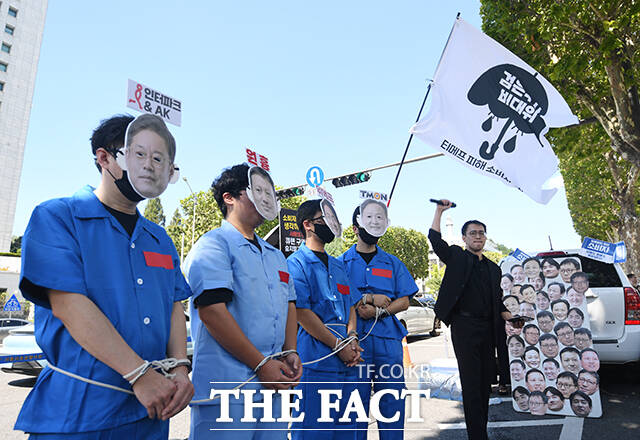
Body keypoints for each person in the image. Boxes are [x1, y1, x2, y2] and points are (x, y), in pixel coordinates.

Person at [15, 114, 193, 439]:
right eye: (139, 154)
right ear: (104, 158)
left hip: (152, 411)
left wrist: (180, 368)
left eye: (159, 159)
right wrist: (139, 374)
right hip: (80, 413)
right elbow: (69, 305)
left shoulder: (160, 239)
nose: (150, 167)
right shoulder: (58, 217)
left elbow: (173, 307)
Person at [184, 164, 301, 439]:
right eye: (257, 190)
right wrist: (261, 364)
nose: (266, 198)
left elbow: (289, 304)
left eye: (269, 193)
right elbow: (212, 312)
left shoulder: (275, 255)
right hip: (230, 388)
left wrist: (291, 351)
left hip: (273, 384)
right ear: (229, 198)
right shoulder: (214, 245)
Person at [429, 200, 517, 440]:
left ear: (485, 238)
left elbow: (497, 301)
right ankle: (477, 436)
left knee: (484, 383)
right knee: (471, 385)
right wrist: (439, 211)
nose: (478, 236)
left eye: (481, 233)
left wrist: (511, 316)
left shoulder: (493, 268)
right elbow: (436, 241)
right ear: (464, 238)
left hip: (488, 329)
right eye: (473, 233)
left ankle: (481, 429)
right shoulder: (457, 256)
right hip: (464, 327)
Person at [339, 203, 417, 440]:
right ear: (356, 227)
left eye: (379, 218)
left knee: (391, 402)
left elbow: (404, 300)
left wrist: (378, 313)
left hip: (388, 343)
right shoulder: (340, 263)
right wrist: (364, 299)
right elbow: (339, 299)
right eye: (368, 218)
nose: (374, 223)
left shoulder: (392, 263)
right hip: (355, 342)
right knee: (354, 405)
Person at [288, 199, 363, 439]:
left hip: (348, 359)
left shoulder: (338, 265)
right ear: (308, 224)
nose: (331, 225)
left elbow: (351, 303)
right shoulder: (295, 264)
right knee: (314, 427)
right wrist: (337, 345)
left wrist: (352, 336)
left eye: (333, 220)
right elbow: (301, 312)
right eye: (325, 220)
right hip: (316, 359)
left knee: (346, 428)